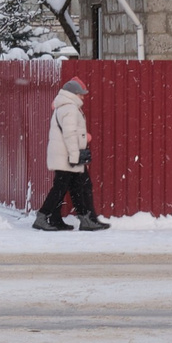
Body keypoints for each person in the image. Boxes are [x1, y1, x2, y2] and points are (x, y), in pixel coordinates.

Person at [36, 77, 108, 231]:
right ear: (73, 94)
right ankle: (43, 216)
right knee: (64, 187)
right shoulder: (70, 108)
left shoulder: (65, 107)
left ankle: (77, 219)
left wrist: (83, 138)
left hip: (65, 154)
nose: (83, 97)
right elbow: (69, 134)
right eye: (81, 94)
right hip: (68, 156)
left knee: (77, 186)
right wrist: (75, 157)